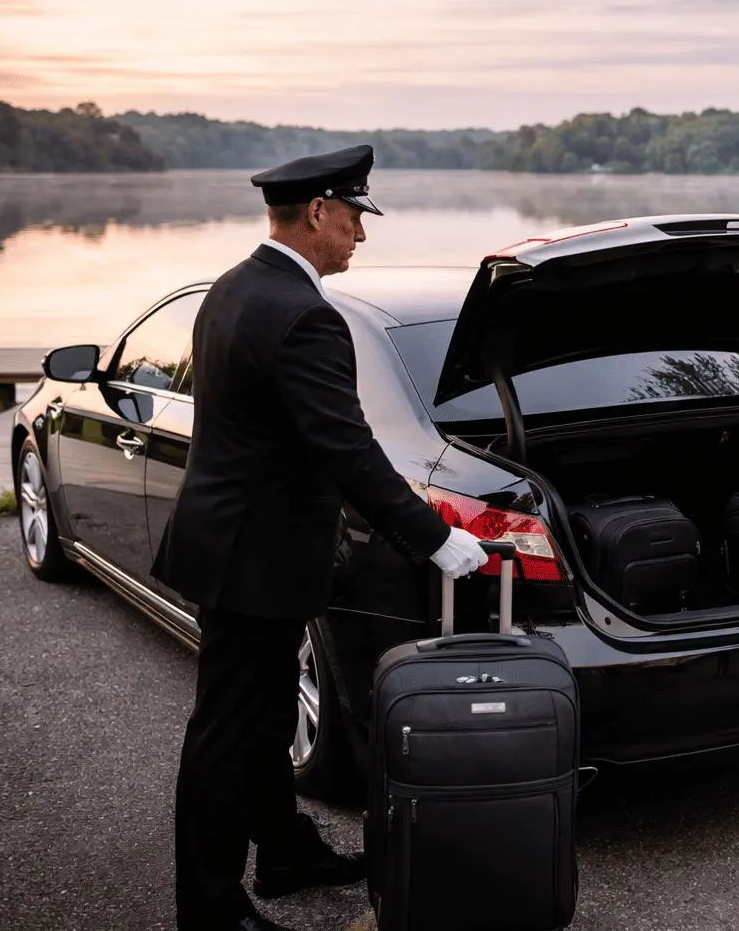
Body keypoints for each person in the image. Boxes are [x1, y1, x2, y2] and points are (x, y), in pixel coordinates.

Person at [152, 145, 489, 931]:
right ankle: (208, 910)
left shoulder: (234, 288)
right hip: (252, 557)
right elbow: (345, 447)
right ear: (315, 214)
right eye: (353, 218)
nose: (359, 237)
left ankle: (286, 850)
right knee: (226, 734)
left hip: (231, 544)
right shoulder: (305, 314)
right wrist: (433, 538)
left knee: (261, 718)